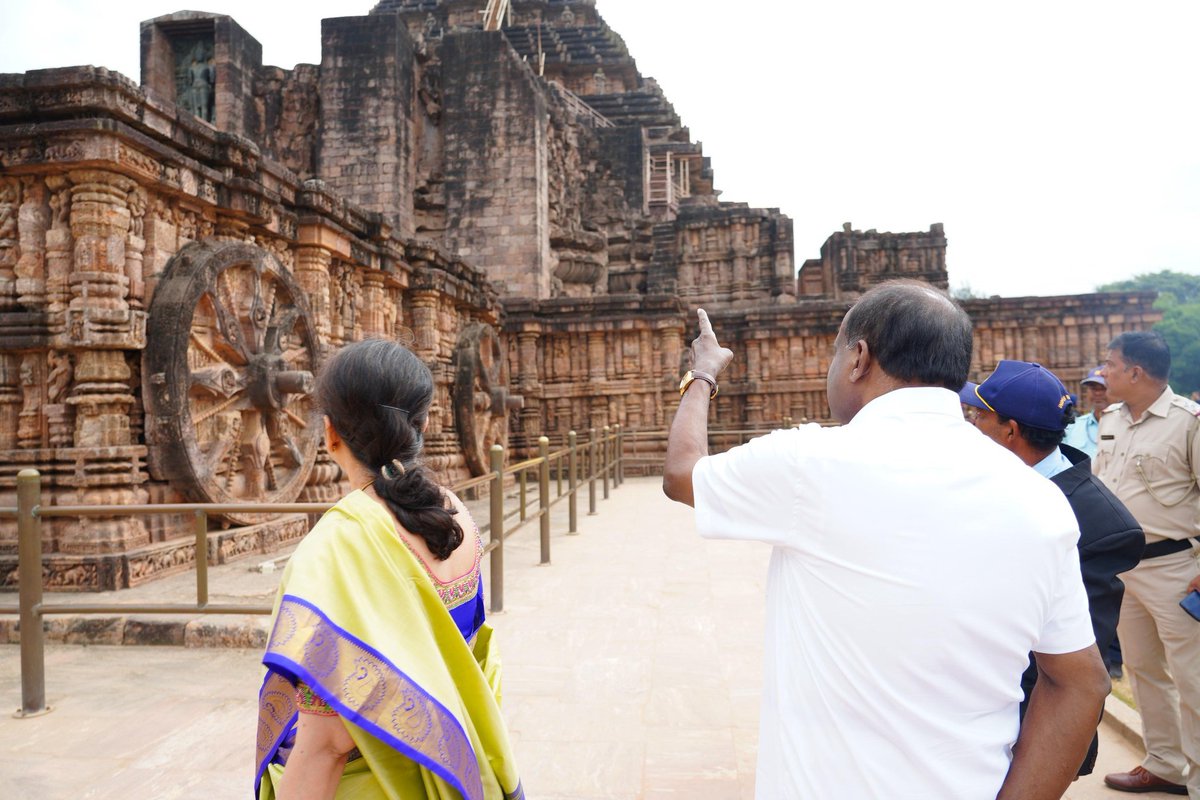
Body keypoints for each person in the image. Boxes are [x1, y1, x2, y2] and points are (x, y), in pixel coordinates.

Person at [662, 281, 1111, 800]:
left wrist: (702, 374)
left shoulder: (808, 463)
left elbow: (681, 474)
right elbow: (1082, 682)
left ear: (858, 357)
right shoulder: (1041, 500)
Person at [255, 339, 523, 800]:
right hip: (450, 765)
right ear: (419, 425)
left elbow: (328, 746)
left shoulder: (337, 546)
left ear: (330, 433)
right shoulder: (456, 515)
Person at [960, 361, 1143, 776]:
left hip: (1020, 731)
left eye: (979, 415)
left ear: (1010, 431)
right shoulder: (997, 481)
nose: (970, 424)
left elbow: (1072, 670)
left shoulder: (1098, 526)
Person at [1093, 331, 1200, 797]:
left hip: (1178, 567)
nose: (1105, 372)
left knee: (1193, 677)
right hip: (1125, 569)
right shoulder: (1111, 418)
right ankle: (1165, 765)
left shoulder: (1188, 422)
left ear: (1136, 371)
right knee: (1142, 670)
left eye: (1111, 365)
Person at [1063, 366, 1108, 458]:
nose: (1098, 393)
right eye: (1093, 388)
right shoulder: (1072, 428)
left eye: (1103, 388)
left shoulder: (1127, 427)